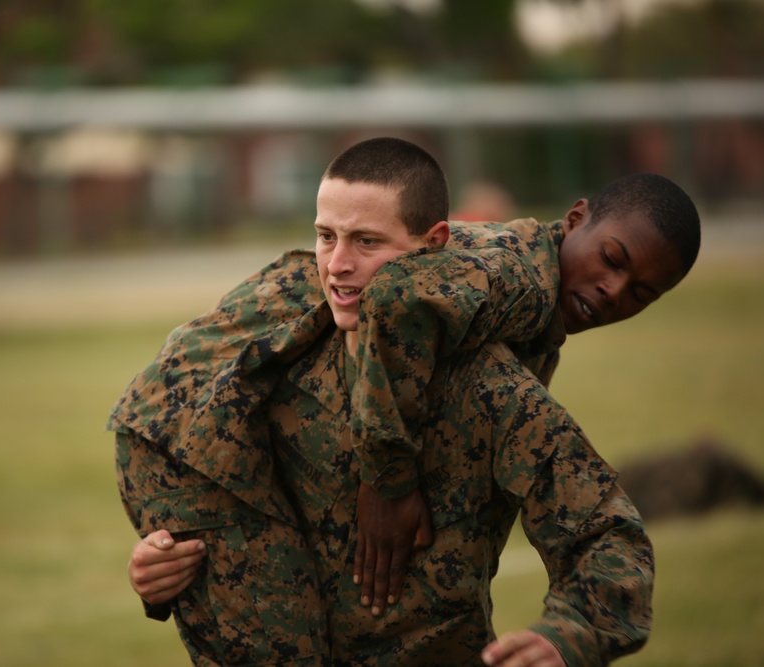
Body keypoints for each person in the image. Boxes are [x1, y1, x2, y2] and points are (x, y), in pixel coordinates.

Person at [116, 139, 700, 665]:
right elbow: (192, 411)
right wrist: (387, 482)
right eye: (328, 237)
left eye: (643, 291)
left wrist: (566, 636)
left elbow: (604, 531)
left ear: (431, 243)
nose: (614, 291)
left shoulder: (490, 362)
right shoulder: (497, 296)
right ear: (575, 220)